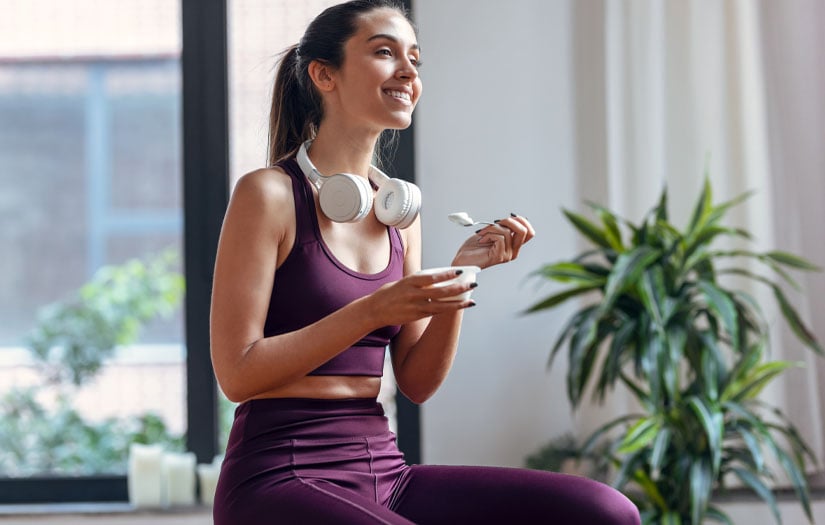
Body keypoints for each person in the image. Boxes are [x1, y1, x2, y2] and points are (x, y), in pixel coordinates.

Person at [210, 1, 641, 523]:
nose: (409, 70)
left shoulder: (399, 212)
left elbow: (415, 382)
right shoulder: (269, 195)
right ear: (324, 74)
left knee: (604, 511)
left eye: (415, 58)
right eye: (385, 52)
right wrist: (371, 311)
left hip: (384, 469)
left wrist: (464, 274)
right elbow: (237, 373)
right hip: (279, 472)